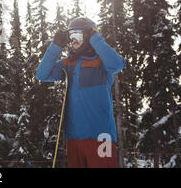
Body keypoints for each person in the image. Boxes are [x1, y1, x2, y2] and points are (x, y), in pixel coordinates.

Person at [36, 17, 126, 168]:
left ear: (89, 36)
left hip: (101, 136)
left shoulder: (101, 61)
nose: (73, 41)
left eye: (77, 35)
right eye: (70, 37)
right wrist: (56, 46)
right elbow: (42, 75)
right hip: (73, 138)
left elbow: (117, 65)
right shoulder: (68, 63)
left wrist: (96, 39)